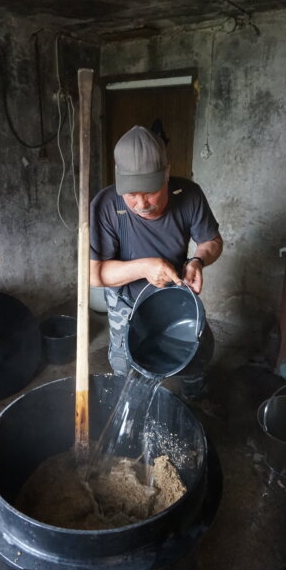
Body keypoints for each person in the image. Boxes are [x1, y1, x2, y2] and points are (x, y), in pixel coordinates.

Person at [90, 125, 223, 395]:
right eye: (131, 195)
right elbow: (93, 274)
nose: (141, 204)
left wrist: (197, 260)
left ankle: (196, 395)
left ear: (166, 173)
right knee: (126, 363)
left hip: (174, 291)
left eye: (150, 192)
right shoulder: (104, 205)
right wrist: (144, 267)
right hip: (126, 298)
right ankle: (132, 404)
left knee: (197, 352)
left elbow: (212, 241)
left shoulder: (189, 195)